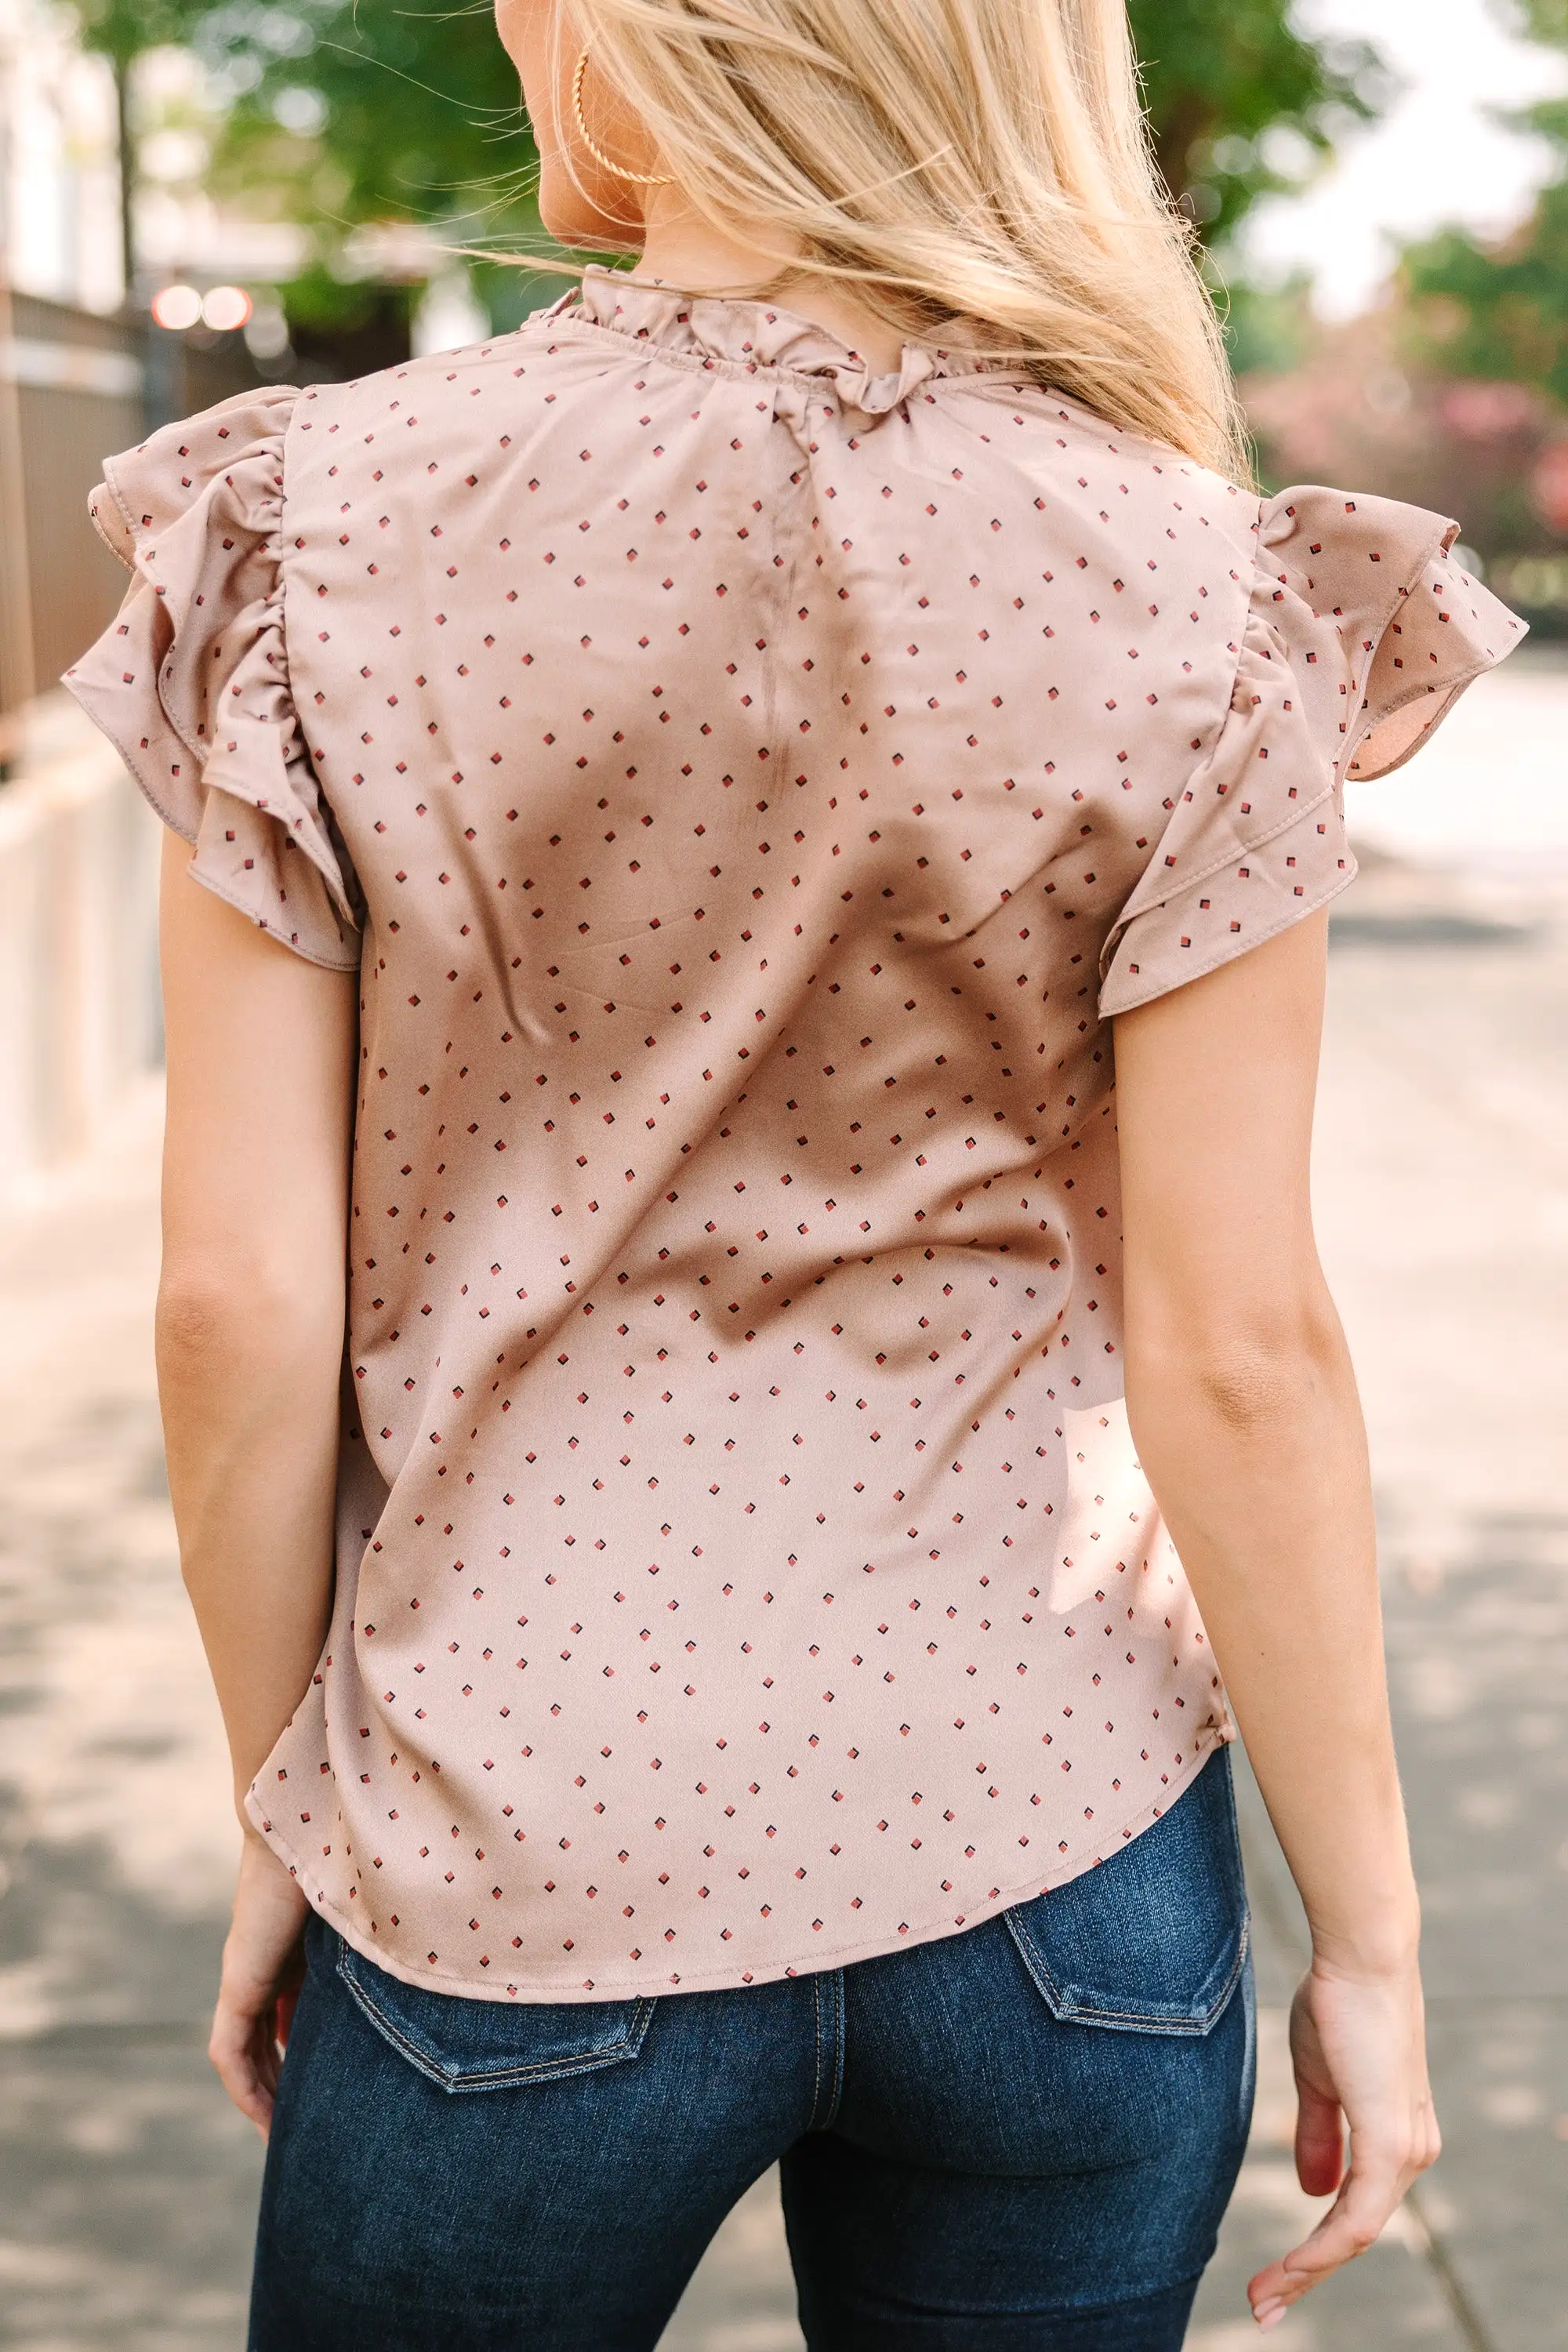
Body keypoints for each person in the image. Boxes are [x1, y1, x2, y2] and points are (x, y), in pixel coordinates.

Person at [67, 2, 1523, 2344]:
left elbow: (234, 1295)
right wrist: (1372, 1932)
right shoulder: (1194, 582)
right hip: (1059, 1851)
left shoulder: (306, 531)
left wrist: (288, 1804)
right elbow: (1241, 1344)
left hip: (514, 1838)